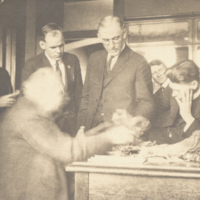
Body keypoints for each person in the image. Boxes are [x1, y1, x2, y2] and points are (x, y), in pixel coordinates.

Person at [0, 68, 134, 200]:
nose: (63, 99)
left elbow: (61, 142)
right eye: (60, 93)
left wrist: (109, 126)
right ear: (45, 92)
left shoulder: (28, 109)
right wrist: (110, 137)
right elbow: (68, 150)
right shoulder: (29, 116)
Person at [77, 16, 154, 132]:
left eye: (115, 39)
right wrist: (81, 127)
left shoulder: (139, 62)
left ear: (124, 33)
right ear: (99, 37)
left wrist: (130, 120)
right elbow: (86, 97)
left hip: (120, 131)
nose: (111, 45)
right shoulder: (94, 58)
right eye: (106, 40)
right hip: (91, 130)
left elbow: (147, 103)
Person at [21, 23, 82, 136]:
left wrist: (81, 124)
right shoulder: (32, 65)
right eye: (53, 47)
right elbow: (26, 102)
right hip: (47, 126)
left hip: (72, 125)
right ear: (42, 44)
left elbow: (79, 93)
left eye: (61, 45)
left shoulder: (73, 60)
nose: (58, 51)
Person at [142, 60, 200, 144]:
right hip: (171, 135)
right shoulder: (175, 87)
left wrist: (189, 118)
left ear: (193, 84)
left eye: (177, 90)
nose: (173, 94)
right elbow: (156, 105)